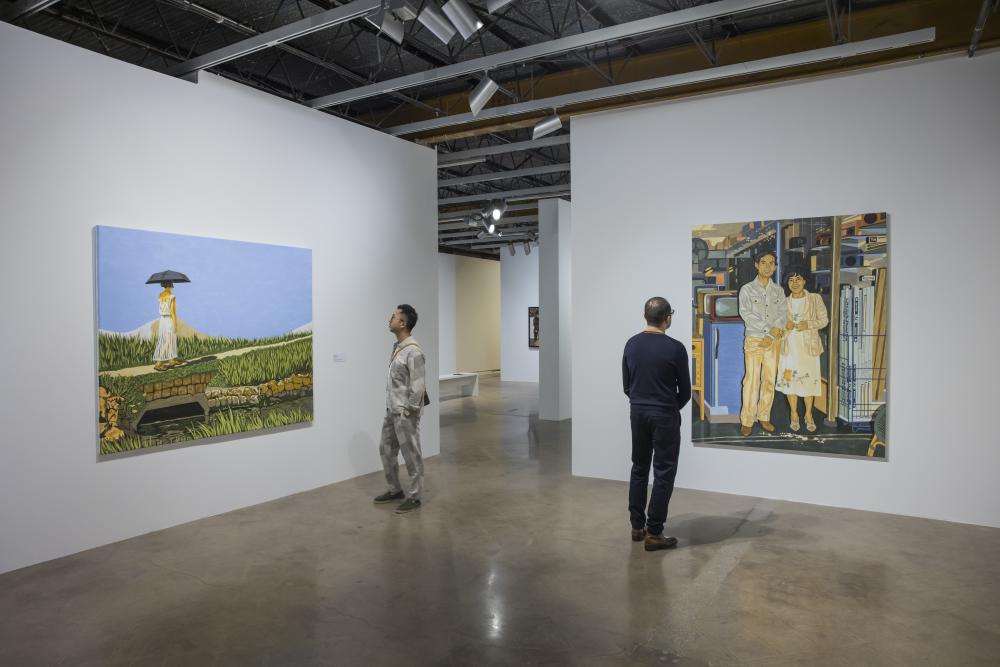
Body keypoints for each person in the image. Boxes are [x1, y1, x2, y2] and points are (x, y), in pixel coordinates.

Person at [622, 297, 691, 552]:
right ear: (668, 318)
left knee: (639, 466)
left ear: (645, 316)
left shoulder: (631, 344)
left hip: (637, 413)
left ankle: (636, 527)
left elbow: (626, 385)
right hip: (665, 415)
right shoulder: (675, 348)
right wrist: (668, 406)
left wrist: (641, 402)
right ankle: (654, 532)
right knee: (663, 471)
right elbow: (685, 391)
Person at [374, 304, 428, 514]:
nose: (390, 320)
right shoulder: (398, 348)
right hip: (392, 411)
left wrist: (409, 410)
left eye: (393, 317)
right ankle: (394, 489)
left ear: (403, 323)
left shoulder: (413, 351)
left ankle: (414, 496)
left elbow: (419, 385)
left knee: (411, 455)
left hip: (405, 413)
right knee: (385, 449)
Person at [738, 251, 787, 437]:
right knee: (751, 380)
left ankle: (764, 416)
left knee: (769, 380)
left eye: (771, 263)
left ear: (774, 266)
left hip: (773, 341)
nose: (768, 266)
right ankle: (747, 420)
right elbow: (747, 314)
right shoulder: (747, 290)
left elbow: (783, 314)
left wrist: (773, 335)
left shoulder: (779, 291)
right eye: (764, 262)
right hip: (755, 340)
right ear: (756, 265)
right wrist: (768, 330)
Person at [775, 270, 828, 432]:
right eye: (791, 280)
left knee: (808, 384)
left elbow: (824, 320)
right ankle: (794, 414)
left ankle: (809, 414)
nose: (795, 283)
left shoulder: (815, 299)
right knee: (790, 383)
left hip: (808, 349)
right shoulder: (783, 302)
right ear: (787, 283)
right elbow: (777, 327)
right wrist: (785, 326)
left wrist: (808, 324)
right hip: (789, 349)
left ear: (804, 281)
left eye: (798, 279)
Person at [152, 281, 180, 371]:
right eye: (172, 283)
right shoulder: (172, 296)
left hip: (162, 320)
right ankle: (158, 363)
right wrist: (175, 324)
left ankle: (171, 360)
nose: (173, 285)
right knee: (167, 341)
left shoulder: (160, 295)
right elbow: (173, 312)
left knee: (166, 339)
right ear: (170, 285)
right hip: (168, 320)